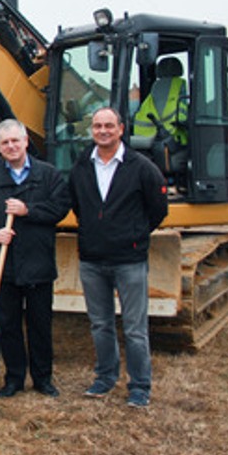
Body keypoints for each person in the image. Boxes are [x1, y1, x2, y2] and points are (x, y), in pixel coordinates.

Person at [69, 107, 168, 408]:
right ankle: (105, 376)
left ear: (121, 129)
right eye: (97, 126)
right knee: (100, 324)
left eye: (109, 126)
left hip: (129, 259)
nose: (103, 131)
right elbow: (77, 203)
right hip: (92, 259)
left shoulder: (141, 166)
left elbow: (158, 209)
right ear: (92, 130)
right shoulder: (82, 166)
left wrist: (135, 235)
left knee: (135, 328)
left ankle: (139, 386)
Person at [0, 119, 69, 397]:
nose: (11, 146)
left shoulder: (47, 175)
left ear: (26, 141)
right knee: (8, 324)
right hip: (6, 267)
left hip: (38, 263)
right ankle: (14, 378)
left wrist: (28, 210)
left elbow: (60, 207)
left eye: (16, 141)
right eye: (5, 143)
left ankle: (42, 378)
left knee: (40, 324)